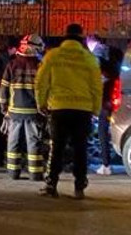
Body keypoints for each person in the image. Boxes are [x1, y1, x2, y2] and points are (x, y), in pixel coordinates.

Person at [36, 23, 103, 199]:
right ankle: (79, 186)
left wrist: (41, 103)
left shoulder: (53, 56)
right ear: (81, 38)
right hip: (83, 110)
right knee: (80, 149)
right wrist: (95, 109)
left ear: (65, 37)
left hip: (59, 108)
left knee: (56, 147)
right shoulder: (89, 59)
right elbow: (97, 87)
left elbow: (41, 82)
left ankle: (52, 184)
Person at [0, 34, 46, 181]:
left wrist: (4, 107)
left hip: (14, 113)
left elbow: (3, 89)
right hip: (33, 113)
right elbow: (44, 90)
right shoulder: (40, 67)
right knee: (33, 143)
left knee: (13, 142)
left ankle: (13, 172)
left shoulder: (12, 65)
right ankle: (35, 173)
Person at [87, 34, 122, 176]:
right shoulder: (114, 52)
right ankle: (110, 161)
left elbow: (97, 75)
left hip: (103, 98)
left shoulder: (96, 55)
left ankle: (106, 165)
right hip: (115, 96)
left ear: (90, 43)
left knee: (102, 131)